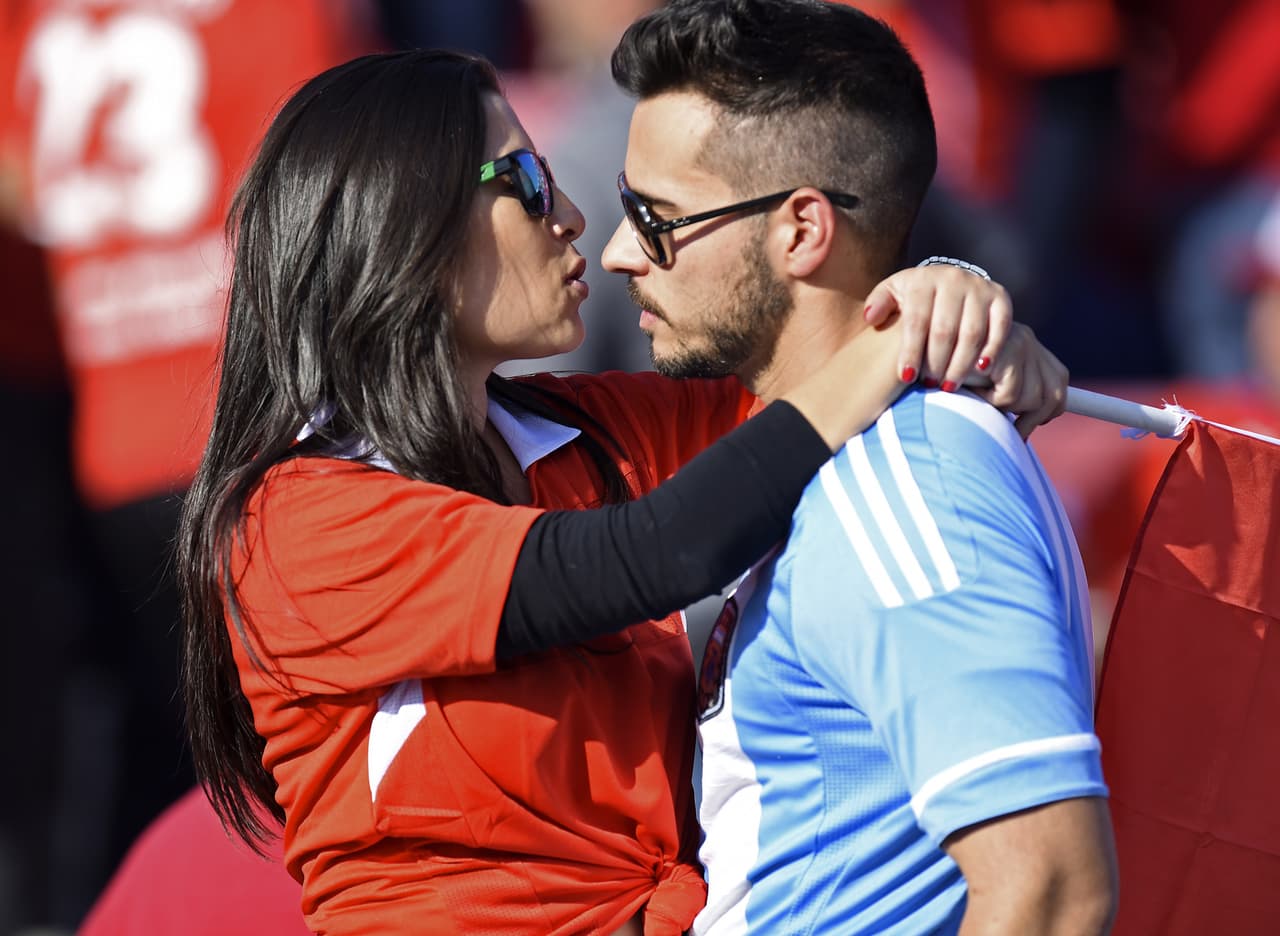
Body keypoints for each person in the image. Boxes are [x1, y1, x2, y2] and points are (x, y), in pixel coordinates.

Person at [179, 48, 1065, 936]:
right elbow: (660, 553)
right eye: (524, 180)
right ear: (402, 218)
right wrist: (894, 347)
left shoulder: (583, 429)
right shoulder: (296, 519)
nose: (573, 221)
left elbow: (812, 362)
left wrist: (949, 300)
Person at [601, 1, 1117, 933]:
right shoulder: (852, 457)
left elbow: (1049, 888)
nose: (617, 253)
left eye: (657, 217)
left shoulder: (901, 480)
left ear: (802, 230)